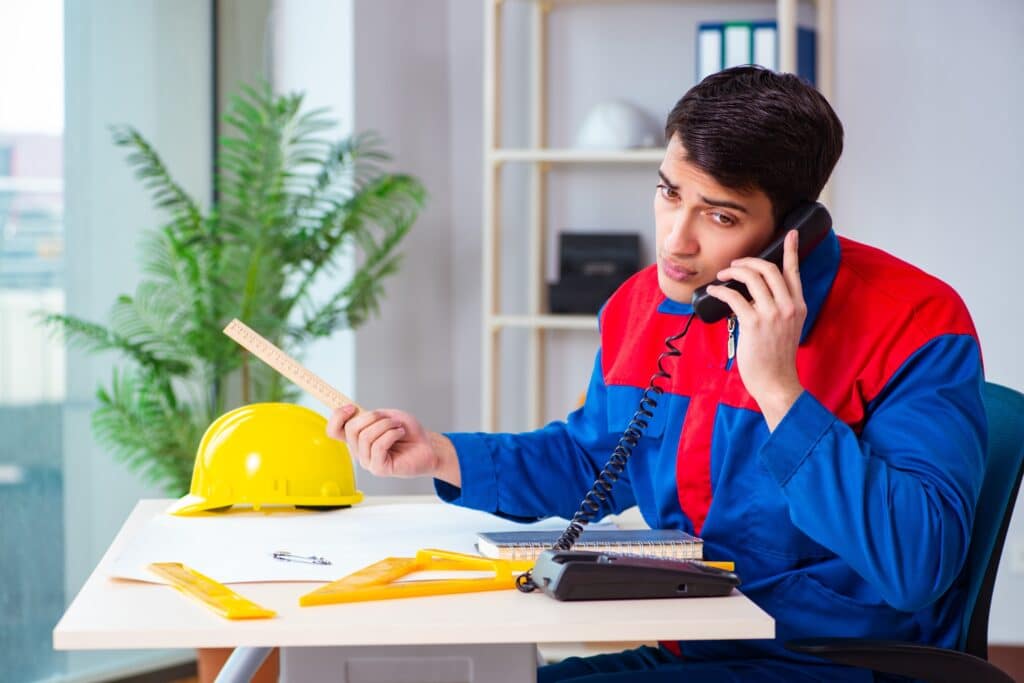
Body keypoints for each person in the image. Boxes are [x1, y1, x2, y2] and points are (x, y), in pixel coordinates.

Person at [326, 65, 986, 682]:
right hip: (695, 639)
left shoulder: (918, 321)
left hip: (826, 661)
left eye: (719, 215)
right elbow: (592, 462)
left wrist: (780, 388)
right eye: (670, 194)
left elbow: (915, 563)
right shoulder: (648, 305)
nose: (676, 239)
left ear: (794, 228)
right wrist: (440, 454)